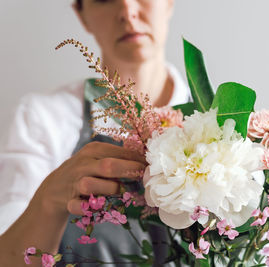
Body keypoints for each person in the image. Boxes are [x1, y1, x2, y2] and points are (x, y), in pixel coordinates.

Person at [0, 0, 190, 266]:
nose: (127, 11)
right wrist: (49, 201)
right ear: (82, 15)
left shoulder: (225, 130)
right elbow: (8, 258)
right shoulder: (43, 119)